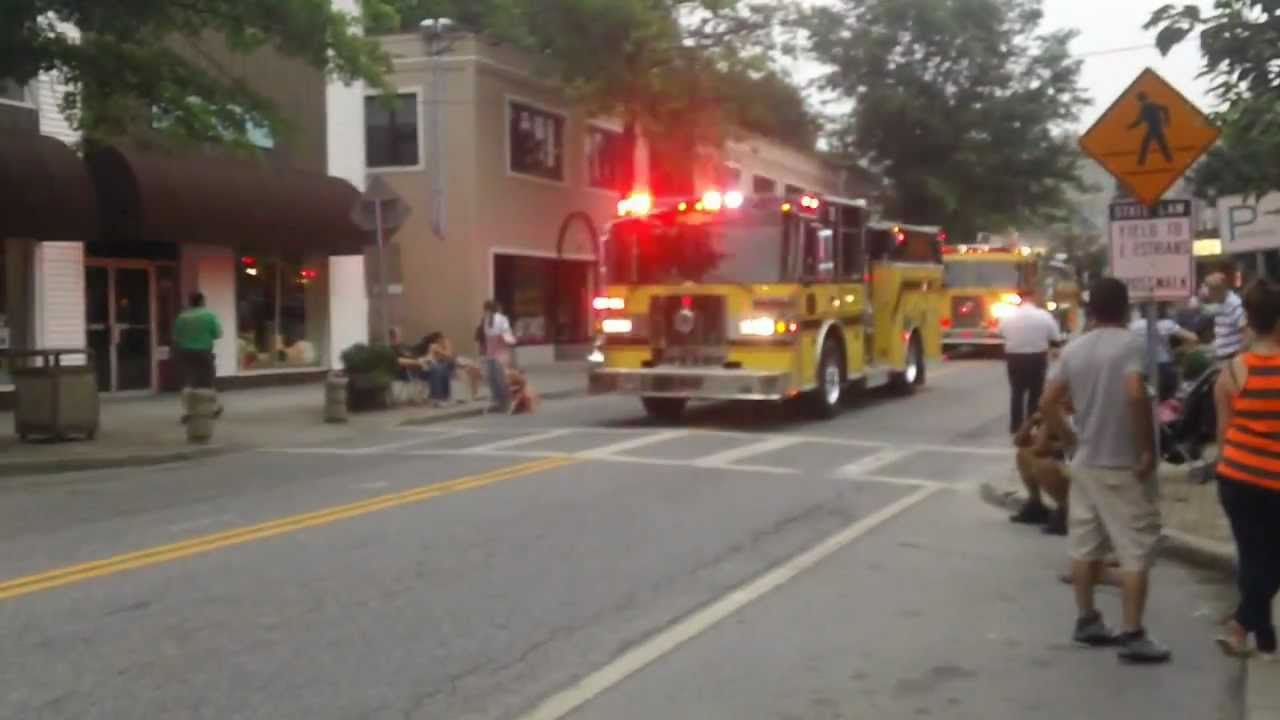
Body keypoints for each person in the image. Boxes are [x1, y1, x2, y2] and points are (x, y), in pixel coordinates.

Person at [1039, 277, 1170, 664]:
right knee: (1134, 550)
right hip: (1121, 464)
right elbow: (1134, 393)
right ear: (1126, 308)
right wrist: (1146, 449)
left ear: (1091, 309)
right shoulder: (1131, 345)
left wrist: (1068, 437)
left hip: (1086, 463)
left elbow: (1048, 402)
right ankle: (1133, 632)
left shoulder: (1074, 349)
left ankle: (1087, 619)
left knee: (1084, 544)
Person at [1211, 279, 1280, 659]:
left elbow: (1224, 431)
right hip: (1275, 479)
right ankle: (1242, 625)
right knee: (1269, 559)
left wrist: (1227, 467)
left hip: (1237, 476)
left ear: (1249, 321)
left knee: (1253, 554)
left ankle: (1263, 636)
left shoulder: (1233, 371)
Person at [999, 291, 1062, 434]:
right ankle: (1032, 424)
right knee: (1036, 392)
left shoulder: (1009, 316)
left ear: (1020, 300)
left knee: (1017, 392)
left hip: (1015, 357)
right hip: (1037, 357)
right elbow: (1055, 337)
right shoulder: (1044, 316)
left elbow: (1001, 332)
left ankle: (1015, 426)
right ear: (1033, 299)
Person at [1010, 411, 1072, 535]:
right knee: (1023, 454)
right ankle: (1035, 504)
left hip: (1083, 469)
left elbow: (1040, 447)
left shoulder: (1073, 417)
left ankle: (1066, 510)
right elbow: (1018, 441)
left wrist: (1048, 421)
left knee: (1043, 465)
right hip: (1068, 465)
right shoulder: (1059, 415)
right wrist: (1032, 420)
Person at [1129, 304, 1200, 401]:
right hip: (1164, 367)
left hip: (1144, 367)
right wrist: (1180, 350)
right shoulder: (1167, 324)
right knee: (1167, 401)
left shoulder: (1134, 326)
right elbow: (1193, 338)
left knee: (1148, 399)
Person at [174, 292, 224, 422]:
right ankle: (214, 407)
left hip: (185, 352)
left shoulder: (182, 317)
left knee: (188, 382)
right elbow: (218, 334)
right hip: (204, 352)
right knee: (207, 381)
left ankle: (189, 411)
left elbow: (176, 336)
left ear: (190, 302)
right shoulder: (208, 316)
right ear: (202, 302)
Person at [1206, 270, 1247, 362]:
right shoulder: (1219, 303)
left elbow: (1245, 332)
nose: (1209, 294)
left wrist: (1238, 357)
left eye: (1211, 290)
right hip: (1221, 355)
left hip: (1231, 356)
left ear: (1220, 289)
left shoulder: (1235, 304)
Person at [481, 301, 516, 412]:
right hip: (491, 352)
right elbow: (486, 338)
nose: (484, 312)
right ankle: (496, 400)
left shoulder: (501, 319)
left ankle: (507, 401)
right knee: (491, 378)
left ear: (490, 310)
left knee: (501, 378)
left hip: (501, 351)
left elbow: (507, 334)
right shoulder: (486, 320)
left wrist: (505, 338)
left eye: (486, 309)